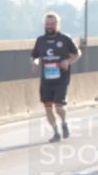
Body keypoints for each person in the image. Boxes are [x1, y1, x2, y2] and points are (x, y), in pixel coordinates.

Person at [31, 12, 81, 142]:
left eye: (52, 24)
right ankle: (55, 132)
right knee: (48, 108)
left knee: (59, 107)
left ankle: (64, 122)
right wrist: (35, 62)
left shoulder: (64, 39)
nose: (49, 26)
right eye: (47, 24)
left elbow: (77, 53)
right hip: (46, 80)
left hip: (61, 79)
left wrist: (68, 61)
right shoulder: (40, 40)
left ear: (57, 24)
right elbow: (35, 56)